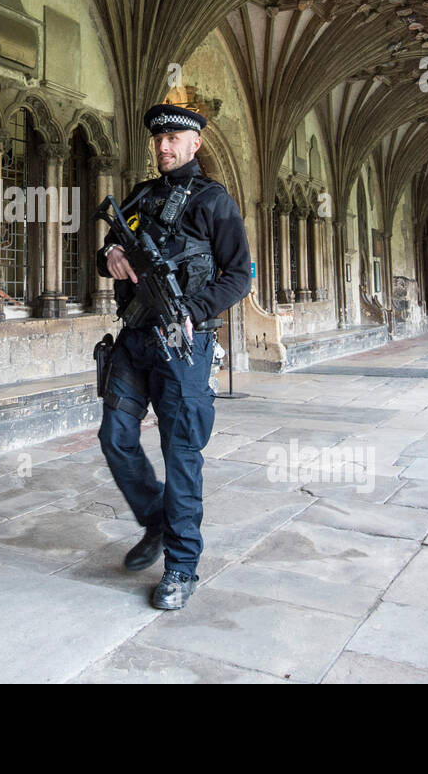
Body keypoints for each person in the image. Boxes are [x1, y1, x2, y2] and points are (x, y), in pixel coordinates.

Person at [96, 104, 251, 609]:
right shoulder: (140, 196)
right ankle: (158, 521)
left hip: (184, 345)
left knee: (181, 454)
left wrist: (193, 309)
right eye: (159, 137)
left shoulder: (214, 200)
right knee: (115, 437)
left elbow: (239, 275)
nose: (163, 145)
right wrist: (110, 255)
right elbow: (111, 249)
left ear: (195, 144)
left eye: (174, 137)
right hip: (136, 339)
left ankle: (182, 567)